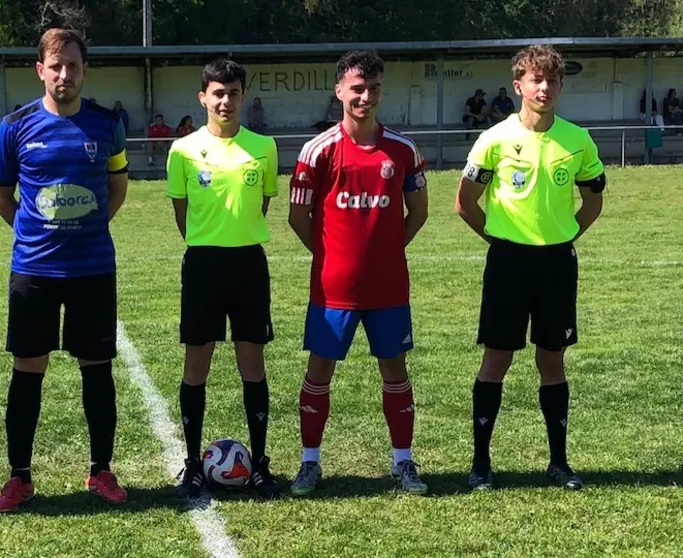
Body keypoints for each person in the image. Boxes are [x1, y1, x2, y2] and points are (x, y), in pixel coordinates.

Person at [0, 27, 130, 511]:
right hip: (34, 269)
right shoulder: (15, 126)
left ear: (85, 70)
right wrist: (38, 233)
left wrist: (85, 227)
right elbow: (0, 198)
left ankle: (101, 470)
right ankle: (19, 477)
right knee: (29, 369)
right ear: (40, 70)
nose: (64, 74)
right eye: (56, 66)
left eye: (72, 65)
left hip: (92, 268)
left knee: (97, 369)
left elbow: (116, 187)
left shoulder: (108, 124)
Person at [455, 44, 605, 492]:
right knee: (496, 358)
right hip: (508, 262)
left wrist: (565, 236)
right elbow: (464, 203)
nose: (545, 88)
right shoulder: (495, 139)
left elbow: (593, 201)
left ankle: (558, 463)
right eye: (536, 79)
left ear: (560, 85)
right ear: (518, 84)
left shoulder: (577, 140)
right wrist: (501, 241)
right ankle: (481, 463)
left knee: (551, 359)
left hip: (556, 262)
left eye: (552, 80)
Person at [287, 50, 429, 497]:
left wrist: (387, 250)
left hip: (388, 288)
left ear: (380, 92)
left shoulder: (402, 150)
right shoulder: (318, 150)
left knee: (395, 370)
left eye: (372, 89)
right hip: (333, 289)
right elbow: (298, 216)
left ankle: (402, 461)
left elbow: (419, 211)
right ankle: (310, 462)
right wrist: (330, 255)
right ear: (339, 91)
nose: (364, 97)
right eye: (356, 89)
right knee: (319, 371)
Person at [167, 58, 280, 500]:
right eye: (218, 93)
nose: (226, 101)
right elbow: (183, 213)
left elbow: (263, 204)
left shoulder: (264, 147)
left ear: (243, 96)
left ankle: (260, 464)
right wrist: (208, 240)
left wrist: (237, 237)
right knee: (197, 365)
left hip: (249, 265)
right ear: (203, 98)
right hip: (203, 266)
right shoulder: (183, 150)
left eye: (233, 93)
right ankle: (193, 465)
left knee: (252, 365)